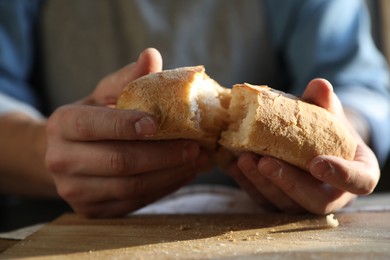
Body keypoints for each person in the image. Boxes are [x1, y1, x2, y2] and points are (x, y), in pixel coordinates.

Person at [0, 0, 389, 218]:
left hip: (268, 227)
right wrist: (42, 150)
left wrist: (340, 142)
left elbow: (361, 84)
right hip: (66, 225)